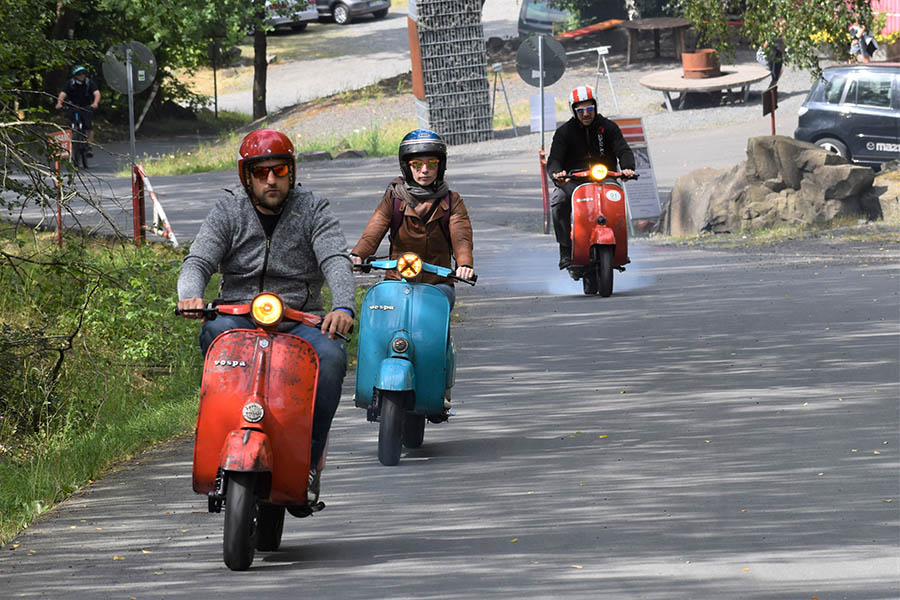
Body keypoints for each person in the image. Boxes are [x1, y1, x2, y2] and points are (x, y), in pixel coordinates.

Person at [176, 128, 355, 512]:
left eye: (279, 170)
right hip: (237, 316)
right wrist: (189, 293)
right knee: (213, 335)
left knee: (332, 357)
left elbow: (335, 259)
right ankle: (221, 436)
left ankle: (307, 460)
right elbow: (199, 259)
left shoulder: (314, 209)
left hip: (300, 317)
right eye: (261, 173)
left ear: (291, 172)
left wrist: (342, 306)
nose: (271, 180)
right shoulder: (228, 210)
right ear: (247, 177)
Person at [350, 129, 474, 309]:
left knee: (435, 315)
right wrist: (357, 255)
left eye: (432, 163)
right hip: (397, 280)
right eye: (417, 164)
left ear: (441, 166)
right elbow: (373, 231)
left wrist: (465, 265)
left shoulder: (452, 200)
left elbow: (461, 237)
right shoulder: (394, 198)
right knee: (379, 314)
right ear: (407, 166)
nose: (425, 170)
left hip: (437, 283)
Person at [546, 85, 635, 273]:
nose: (586, 114)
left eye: (589, 109)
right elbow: (554, 159)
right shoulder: (564, 132)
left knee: (617, 201)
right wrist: (558, 174)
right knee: (558, 201)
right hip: (574, 181)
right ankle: (565, 249)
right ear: (573, 111)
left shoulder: (609, 127)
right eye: (580, 110)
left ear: (595, 107)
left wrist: (628, 168)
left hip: (606, 178)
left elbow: (623, 149)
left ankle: (620, 247)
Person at [55, 66, 100, 154]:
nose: (82, 76)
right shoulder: (70, 83)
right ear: (75, 75)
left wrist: (95, 103)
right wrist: (59, 103)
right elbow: (63, 94)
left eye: (83, 73)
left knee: (88, 127)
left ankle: (89, 146)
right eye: (79, 74)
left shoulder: (89, 82)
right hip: (73, 106)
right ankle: (73, 140)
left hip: (86, 106)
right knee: (71, 123)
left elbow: (97, 93)